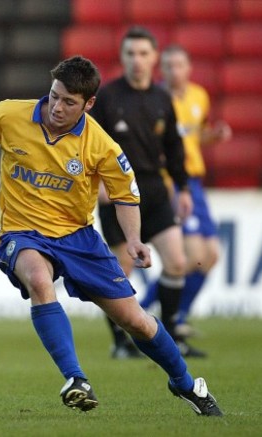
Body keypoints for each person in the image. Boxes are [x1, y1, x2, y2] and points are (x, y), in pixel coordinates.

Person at [0, 56, 222, 416]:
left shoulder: (101, 145)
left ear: (88, 104)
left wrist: (133, 239)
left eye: (69, 102)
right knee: (39, 279)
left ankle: (185, 384)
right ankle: (76, 379)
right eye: (54, 96)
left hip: (78, 238)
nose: (57, 107)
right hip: (21, 232)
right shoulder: (11, 115)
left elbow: (125, 195)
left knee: (134, 320)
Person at [89, 26, 205, 359]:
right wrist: (96, 183)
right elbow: (86, 144)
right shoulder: (108, 98)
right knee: (120, 272)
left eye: (143, 54)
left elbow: (174, 146)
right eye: (130, 54)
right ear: (122, 57)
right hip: (118, 193)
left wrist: (182, 187)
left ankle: (171, 335)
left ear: (154, 58)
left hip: (154, 191)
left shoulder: (162, 98)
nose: (137, 61)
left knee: (178, 262)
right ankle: (121, 344)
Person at [139, 45, 232, 337]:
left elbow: (195, 135)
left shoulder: (198, 96)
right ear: (160, 69)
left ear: (189, 68)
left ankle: (178, 315)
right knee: (190, 256)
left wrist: (213, 136)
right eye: (167, 65)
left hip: (194, 182)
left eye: (179, 65)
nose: (173, 70)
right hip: (171, 181)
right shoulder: (156, 101)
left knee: (211, 255)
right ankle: (141, 312)